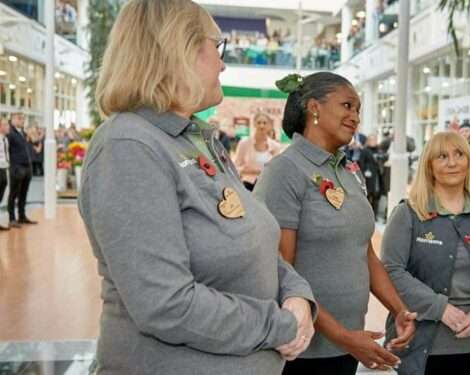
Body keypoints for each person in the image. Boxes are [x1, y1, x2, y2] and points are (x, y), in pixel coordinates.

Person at [78, 1, 316, 374]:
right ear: (180, 48)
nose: (223, 64)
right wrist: (280, 325)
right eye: (217, 47)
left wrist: (297, 294)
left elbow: (256, 239)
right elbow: (165, 303)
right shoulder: (129, 146)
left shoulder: (196, 139)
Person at [254, 72, 417, 375]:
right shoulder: (284, 172)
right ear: (314, 107)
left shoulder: (346, 171)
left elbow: (363, 252)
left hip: (347, 344)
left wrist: (399, 309)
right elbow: (279, 272)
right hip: (302, 350)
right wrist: (344, 337)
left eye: (358, 110)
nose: (355, 117)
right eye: (347, 106)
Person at [381, 131, 470, 375]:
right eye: (442, 156)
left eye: (459, 155)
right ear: (429, 166)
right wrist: (439, 308)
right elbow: (391, 271)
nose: (452, 163)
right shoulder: (409, 214)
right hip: (422, 351)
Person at [233, 113, 281, 191]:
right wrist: (247, 171)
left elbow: (277, 170)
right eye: (259, 122)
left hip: (268, 186)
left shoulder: (276, 146)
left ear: (269, 125)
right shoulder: (244, 143)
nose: (261, 125)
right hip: (247, 185)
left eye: (265, 123)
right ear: (254, 124)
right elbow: (235, 167)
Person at [7, 113, 36, 227]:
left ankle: (22, 216)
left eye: (23, 118)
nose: (22, 120)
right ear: (13, 120)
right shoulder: (10, 133)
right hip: (16, 167)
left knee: (23, 193)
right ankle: (12, 218)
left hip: (26, 166)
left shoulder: (23, 133)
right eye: (19, 118)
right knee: (13, 193)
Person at [0, 117, 10, 231]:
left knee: (1, 195)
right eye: (5, 125)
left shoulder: (5, 139)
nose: (8, 127)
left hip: (4, 168)